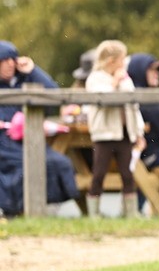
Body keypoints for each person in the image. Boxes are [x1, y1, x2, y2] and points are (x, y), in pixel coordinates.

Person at [0, 40, 79, 216]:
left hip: (29, 138)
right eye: (4, 61)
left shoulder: (25, 79)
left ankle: (44, 211)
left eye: (12, 59)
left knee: (58, 163)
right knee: (23, 167)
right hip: (3, 143)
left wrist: (33, 71)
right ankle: (15, 211)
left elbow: (54, 96)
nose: (10, 64)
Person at [85, 40, 144, 218]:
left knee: (127, 173)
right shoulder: (95, 79)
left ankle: (130, 212)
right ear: (111, 61)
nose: (124, 63)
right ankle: (94, 212)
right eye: (121, 59)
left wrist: (138, 132)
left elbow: (133, 104)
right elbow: (104, 100)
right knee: (99, 172)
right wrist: (114, 83)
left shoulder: (125, 79)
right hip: (104, 134)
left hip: (124, 134)